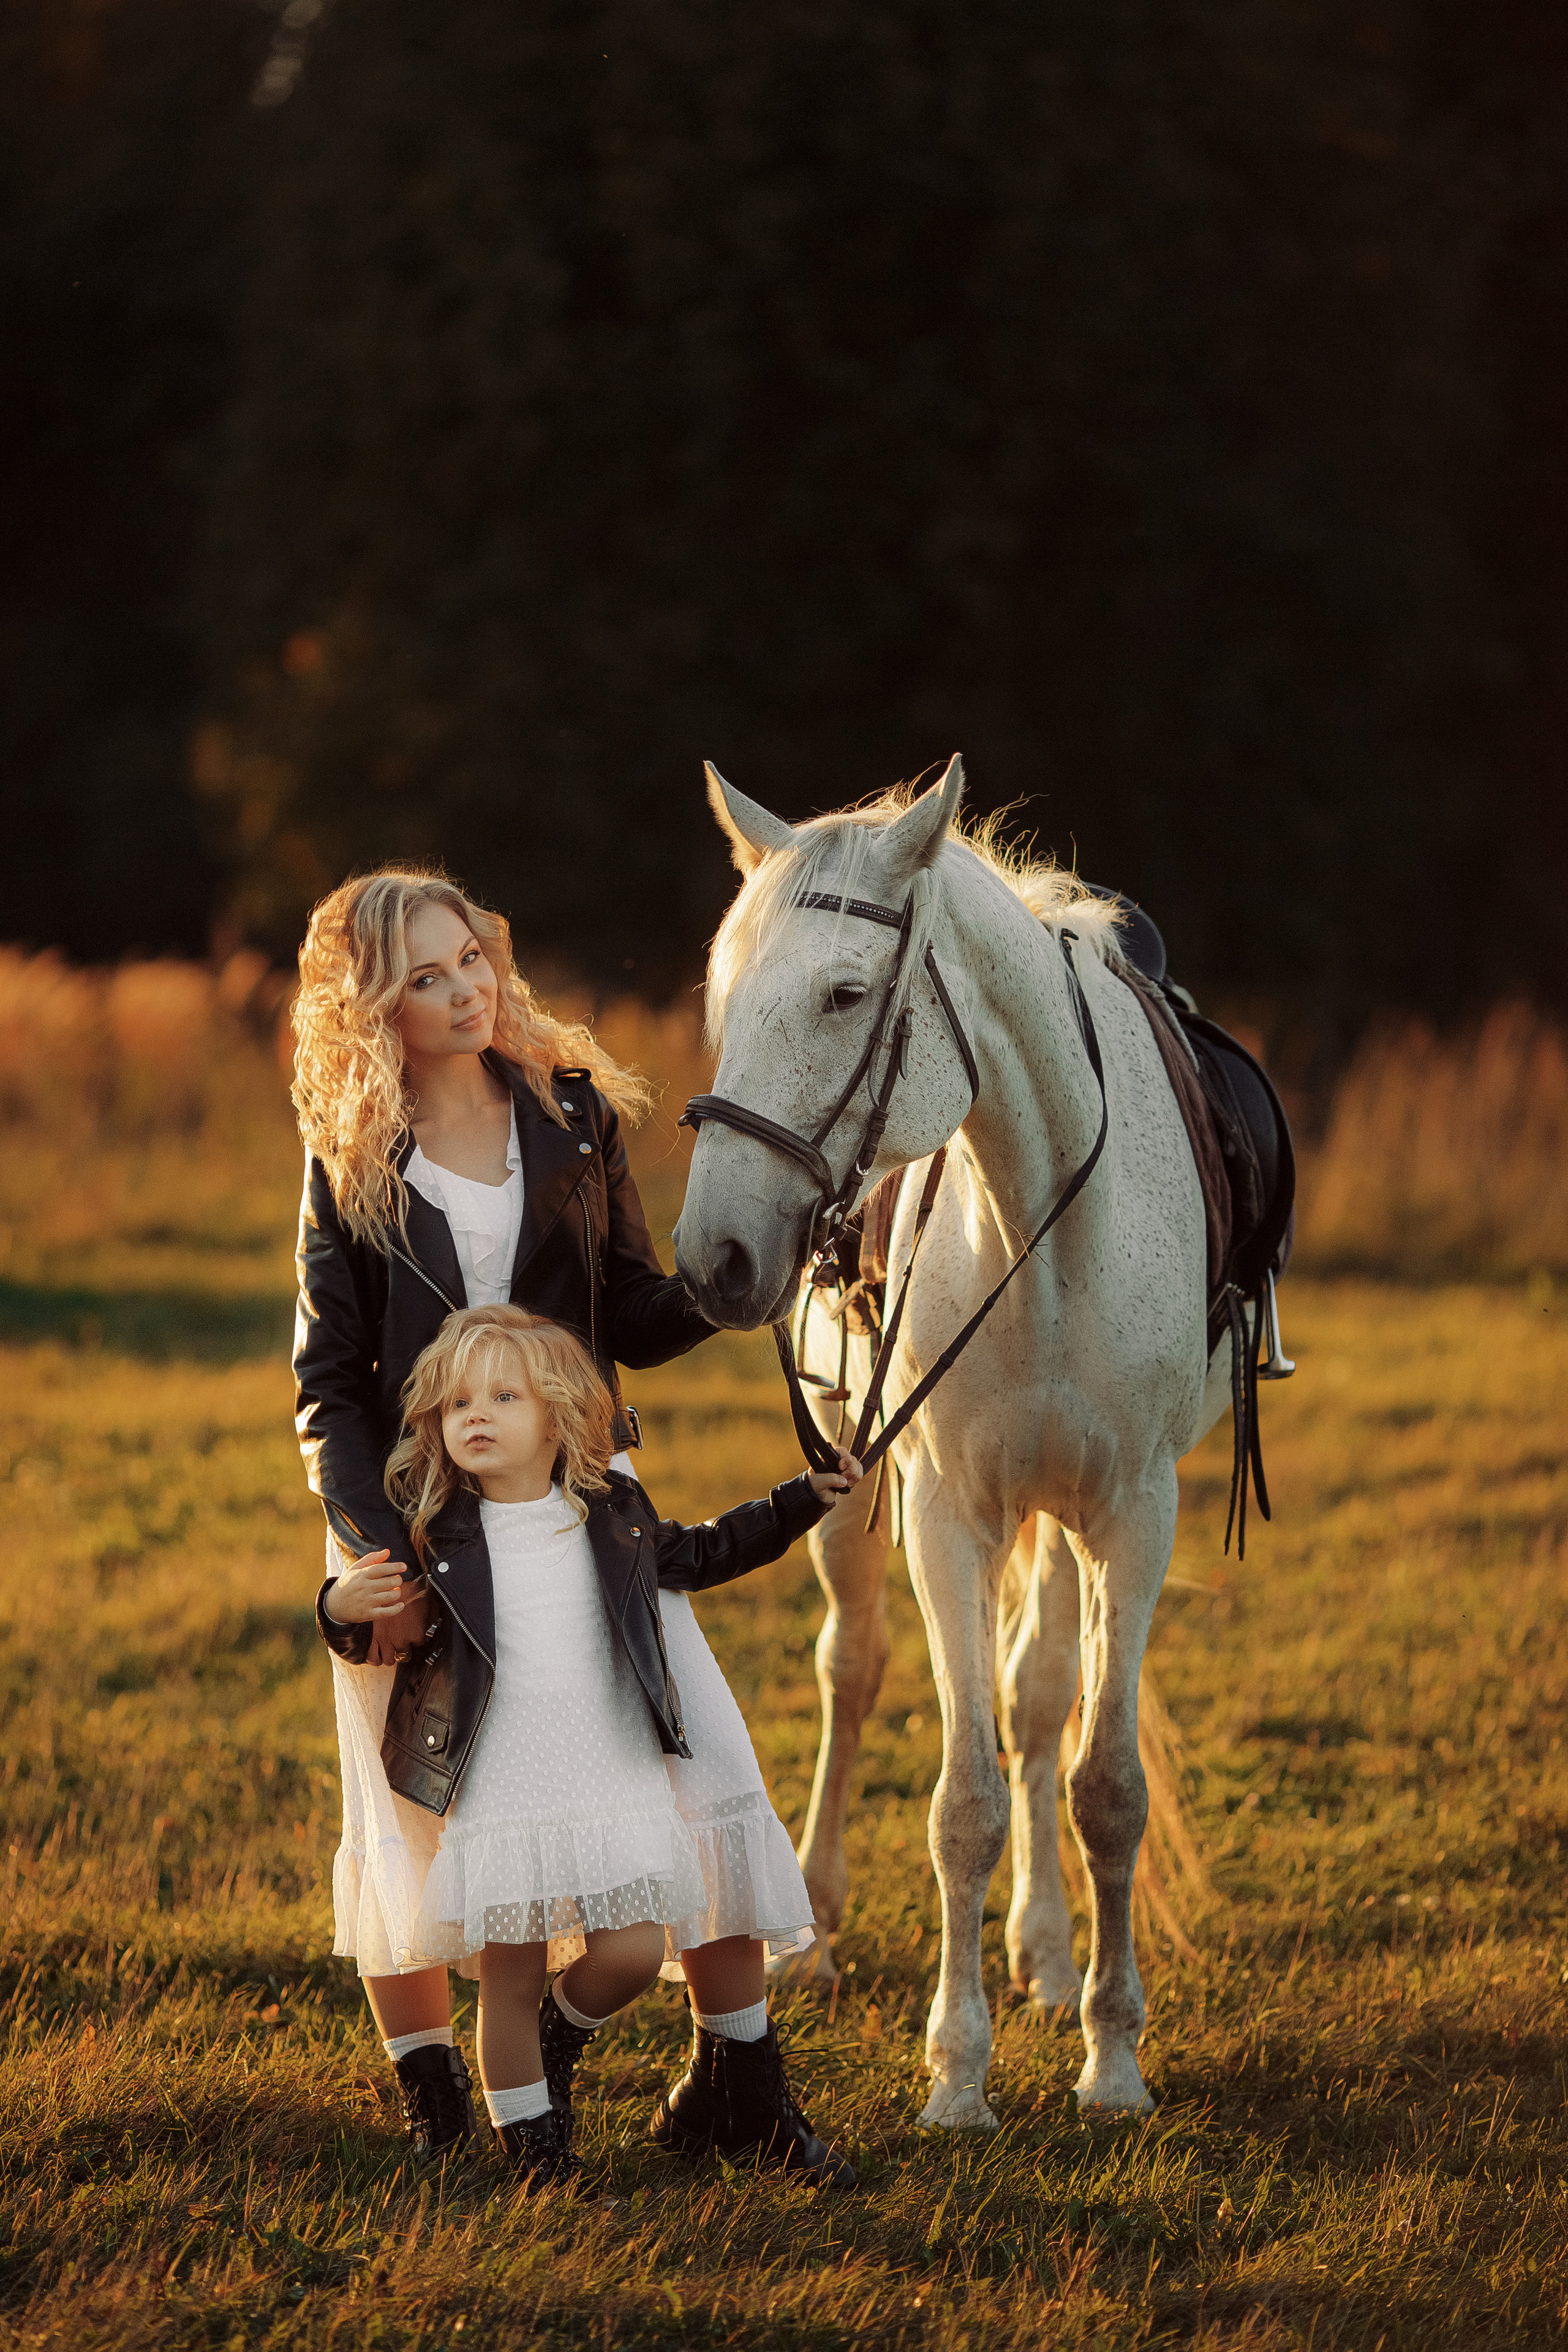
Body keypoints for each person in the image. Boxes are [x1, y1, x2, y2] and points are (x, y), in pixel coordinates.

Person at [289, 868, 813, 2162]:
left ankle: (738, 2097)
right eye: (423, 976)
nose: (463, 989)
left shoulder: (571, 1116)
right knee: (421, 1822)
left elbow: (629, 1310)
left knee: (703, 1776)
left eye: (467, 957)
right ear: (374, 1008)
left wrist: (720, 1284)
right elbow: (327, 1386)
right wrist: (377, 1555)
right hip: (418, 1537)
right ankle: (439, 2108)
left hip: (582, 1505)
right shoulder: (351, 1157)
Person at [322, 1303, 861, 2192]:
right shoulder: (437, 1538)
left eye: (503, 1396)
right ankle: (536, 2154)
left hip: (609, 1774)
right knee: (508, 1977)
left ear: (563, 1415)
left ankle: (553, 2038)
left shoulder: (610, 1516)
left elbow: (709, 1551)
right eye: (458, 1404)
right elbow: (373, 1631)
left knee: (634, 1954)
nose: (477, 1416)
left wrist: (799, 1502)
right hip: (503, 1790)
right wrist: (337, 1609)